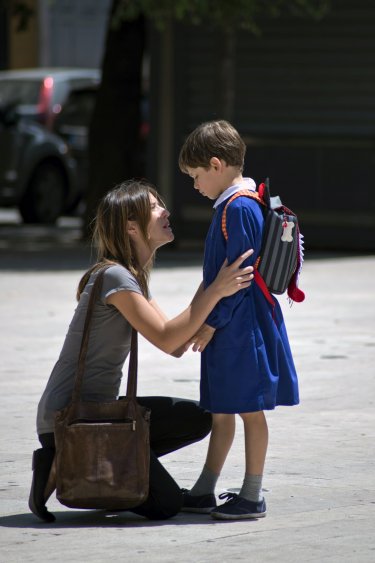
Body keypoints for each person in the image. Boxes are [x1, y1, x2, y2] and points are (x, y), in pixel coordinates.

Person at [29, 179, 254, 523]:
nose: (164, 211)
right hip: (70, 421)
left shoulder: (131, 278)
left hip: (99, 415)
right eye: (153, 207)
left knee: (197, 417)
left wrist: (212, 287)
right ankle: (66, 466)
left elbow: (177, 346)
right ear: (131, 227)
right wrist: (214, 290)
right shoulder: (114, 277)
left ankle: (106, 471)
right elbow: (166, 338)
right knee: (165, 505)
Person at [178, 120, 299, 520]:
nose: (195, 186)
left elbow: (241, 277)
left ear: (216, 165)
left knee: (248, 409)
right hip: (232, 325)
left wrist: (212, 321)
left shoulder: (240, 207)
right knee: (223, 407)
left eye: (196, 177)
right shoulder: (236, 205)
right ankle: (204, 489)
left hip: (240, 327)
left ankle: (252, 494)